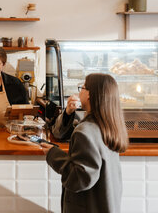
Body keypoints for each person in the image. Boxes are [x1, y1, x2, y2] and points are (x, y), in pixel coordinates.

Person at [41, 73, 129, 213]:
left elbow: (80, 179)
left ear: (89, 94)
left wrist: (53, 154)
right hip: (106, 203)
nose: (79, 91)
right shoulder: (109, 125)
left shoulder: (84, 132)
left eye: (82, 87)